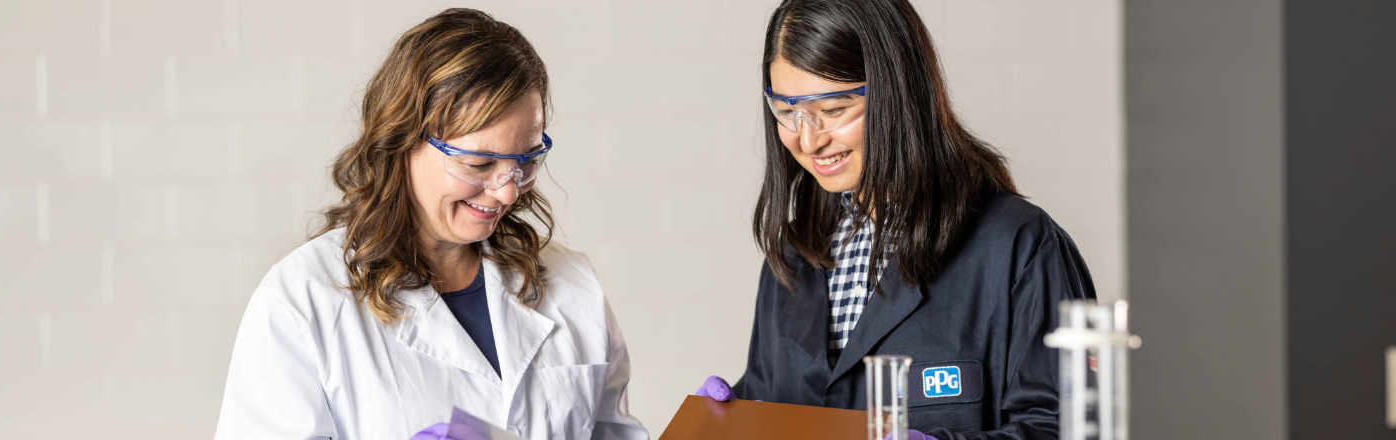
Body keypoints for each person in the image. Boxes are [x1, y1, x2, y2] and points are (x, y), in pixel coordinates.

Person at [214, 9, 647, 440]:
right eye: (478, 163)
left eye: (525, 162)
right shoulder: (301, 304)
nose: (508, 192)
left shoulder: (574, 285)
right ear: (400, 141)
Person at [694, 1, 1096, 439]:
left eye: (833, 110)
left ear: (899, 93)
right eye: (788, 112)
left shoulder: (1018, 246)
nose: (809, 139)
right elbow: (779, 404)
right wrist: (734, 418)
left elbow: (1073, 428)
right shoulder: (795, 253)